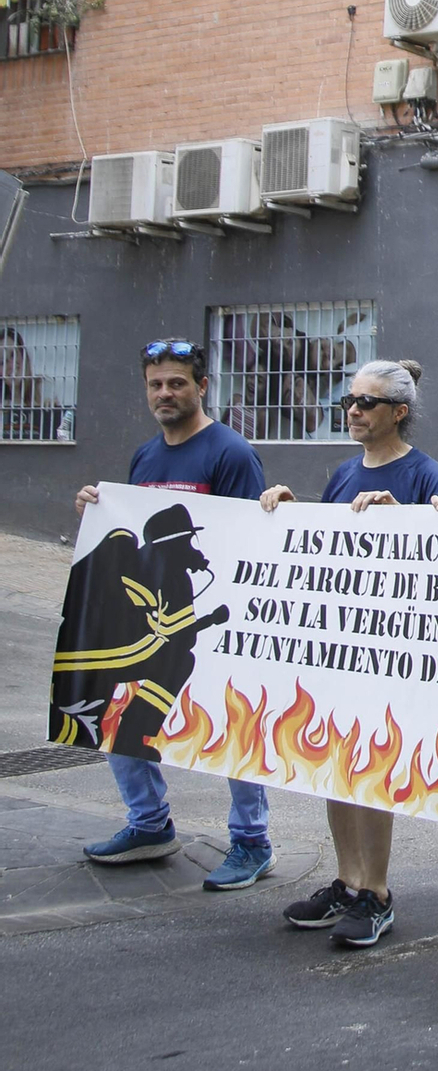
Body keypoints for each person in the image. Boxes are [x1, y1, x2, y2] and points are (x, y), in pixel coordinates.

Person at [262, 361, 438, 948]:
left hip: (391, 649)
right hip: (340, 646)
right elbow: (328, 550)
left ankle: (377, 892)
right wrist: (287, 511)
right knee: (336, 768)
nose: (353, 411)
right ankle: (346, 881)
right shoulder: (344, 472)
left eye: (367, 403)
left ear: (398, 412)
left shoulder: (425, 473)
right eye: (349, 400)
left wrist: (414, 522)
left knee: (372, 768)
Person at [73, 339, 276, 887]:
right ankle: (148, 825)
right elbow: (138, 534)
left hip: (211, 624)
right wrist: (97, 511)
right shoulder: (146, 456)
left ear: (202, 387)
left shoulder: (229, 452)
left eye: (177, 383)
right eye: (155, 384)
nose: (165, 393)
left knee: (230, 724)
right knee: (118, 712)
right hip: (153, 625)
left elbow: (244, 541)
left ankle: (252, 842)